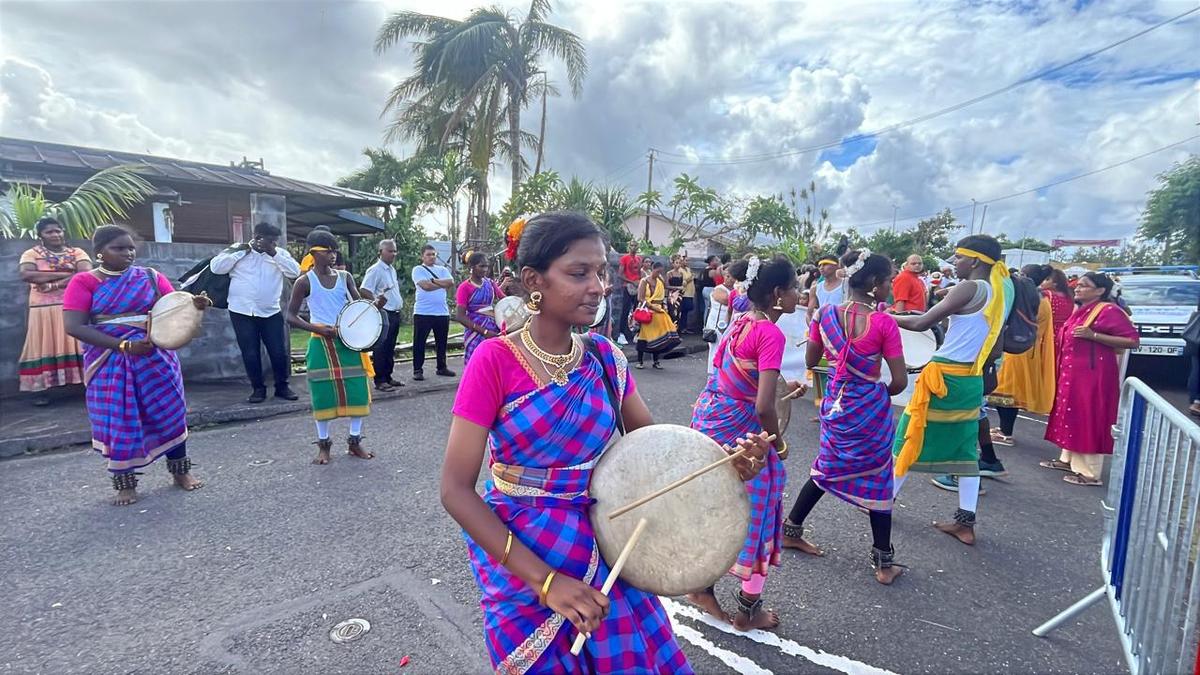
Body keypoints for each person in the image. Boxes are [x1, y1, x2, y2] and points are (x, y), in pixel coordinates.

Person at [440, 211, 772, 672]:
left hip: (608, 546)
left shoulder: (604, 358)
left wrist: (722, 467)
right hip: (525, 561)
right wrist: (548, 582)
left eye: (602, 271)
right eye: (579, 273)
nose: (598, 285)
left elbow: (655, 459)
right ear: (533, 280)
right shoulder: (494, 361)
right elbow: (455, 490)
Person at [689, 255, 806, 631]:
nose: (798, 295)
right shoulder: (771, 333)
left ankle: (701, 586)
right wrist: (779, 445)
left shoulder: (742, 321)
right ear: (777, 293)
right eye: (793, 289)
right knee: (759, 511)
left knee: (711, 508)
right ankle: (748, 609)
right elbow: (762, 405)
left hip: (713, 423)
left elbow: (742, 382)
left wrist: (788, 393)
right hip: (744, 435)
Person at [783, 250, 909, 584]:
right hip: (869, 407)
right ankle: (883, 563)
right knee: (880, 478)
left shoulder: (824, 315)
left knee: (827, 466)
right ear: (873, 284)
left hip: (836, 403)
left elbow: (812, 360)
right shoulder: (884, 323)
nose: (891, 287)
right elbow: (899, 382)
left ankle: (791, 529)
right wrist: (875, 392)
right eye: (888, 281)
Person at [62, 225, 207, 505]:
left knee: (170, 411)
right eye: (118, 248)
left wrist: (195, 305)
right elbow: (74, 326)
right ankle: (125, 484)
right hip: (110, 359)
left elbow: (172, 309)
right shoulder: (84, 282)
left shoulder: (150, 277)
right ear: (99, 253)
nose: (128, 253)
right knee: (120, 418)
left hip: (155, 357)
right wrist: (124, 346)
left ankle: (181, 473)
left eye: (130, 247)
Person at [891, 235, 1010, 546]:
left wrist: (881, 317)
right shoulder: (997, 292)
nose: (954, 263)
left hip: (944, 375)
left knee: (908, 433)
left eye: (959, 257)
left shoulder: (968, 287)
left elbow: (922, 325)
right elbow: (996, 347)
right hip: (970, 379)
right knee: (965, 450)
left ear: (975, 261)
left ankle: (883, 501)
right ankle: (965, 523)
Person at [286, 229, 386, 464]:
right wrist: (319, 329)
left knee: (357, 391)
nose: (332, 255)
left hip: (347, 342)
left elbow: (358, 308)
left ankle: (354, 442)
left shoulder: (345, 277)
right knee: (322, 394)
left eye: (334, 250)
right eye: (327, 251)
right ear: (313, 252)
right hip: (321, 343)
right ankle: (324, 446)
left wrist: (376, 306)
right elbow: (290, 317)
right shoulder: (304, 282)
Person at [1041, 272, 1139, 486]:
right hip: (1073, 373)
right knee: (1071, 412)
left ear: (1100, 291)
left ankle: (1089, 473)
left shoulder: (1109, 310)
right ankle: (1068, 460)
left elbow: (1132, 340)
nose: (1077, 288)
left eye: (1084, 286)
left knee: (1088, 415)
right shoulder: (1083, 310)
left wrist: (1093, 336)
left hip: (1094, 375)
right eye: (1077, 285)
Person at [209, 222, 301, 403]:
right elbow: (216, 267)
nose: (272, 244)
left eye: (275, 241)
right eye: (269, 240)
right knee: (250, 352)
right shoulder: (237, 250)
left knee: (278, 352)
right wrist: (242, 251)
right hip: (241, 311)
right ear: (257, 237)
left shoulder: (279, 254)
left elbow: (295, 271)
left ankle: (282, 387)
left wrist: (273, 253)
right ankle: (258, 389)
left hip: (270, 311)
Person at [17, 216, 91, 406]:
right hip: (43, 308)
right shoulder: (31, 253)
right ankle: (40, 390)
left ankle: (90, 385)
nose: (55, 234)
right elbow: (26, 274)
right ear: (40, 235)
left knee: (80, 344)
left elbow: (85, 274)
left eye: (58, 230)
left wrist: (52, 283)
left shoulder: (76, 252)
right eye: (49, 231)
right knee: (43, 345)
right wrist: (67, 275)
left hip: (74, 305)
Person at [986, 265, 1056, 452]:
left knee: (1007, 393)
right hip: (1025, 351)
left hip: (1019, 353)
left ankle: (1006, 433)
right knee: (1008, 393)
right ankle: (1003, 428)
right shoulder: (1040, 299)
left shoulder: (1032, 299)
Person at [361, 239, 406, 392]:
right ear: (380, 252)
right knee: (381, 347)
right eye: (390, 251)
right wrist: (376, 303)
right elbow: (364, 289)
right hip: (384, 313)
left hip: (394, 313)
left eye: (395, 251)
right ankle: (379, 380)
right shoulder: (375, 270)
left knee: (390, 347)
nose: (393, 254)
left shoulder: (391, 269)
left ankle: (388, 376)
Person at [411, 244, 456, 381]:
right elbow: (425, 286)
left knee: (441, 342)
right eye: (428, 254)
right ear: (422, 256)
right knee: (420, 342)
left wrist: (434, 281)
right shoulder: (418, 269)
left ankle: (441, 367)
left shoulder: (442, 269)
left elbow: (451, 282)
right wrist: (440, 284)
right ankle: (417, 369)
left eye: (433, 254)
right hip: (423, 312)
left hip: (441, 312)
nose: (431, 257)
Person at [807, 256, 845, 418]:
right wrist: (813, 327)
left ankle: (839, 407)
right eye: (820, 265)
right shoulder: (817, 287)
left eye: (826, 265)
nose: (822, 268)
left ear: (837, 266)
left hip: (841, 336)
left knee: (839, 371)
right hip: (822, 334)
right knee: (820, 372)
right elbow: (810, 311)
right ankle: (823, 408)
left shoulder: (845, 285)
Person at [455, 252, 504, 364]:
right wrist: (484, 331)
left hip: (493, 327)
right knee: (475, 362)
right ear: (471, 267)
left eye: (486, 266)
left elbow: (504, 299)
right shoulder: (464, 287)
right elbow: (460, 316)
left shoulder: (490, 284)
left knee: (492, 362)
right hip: (475, 330)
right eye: (481, 266)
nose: (485, 269)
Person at [635, 261, 680, 369]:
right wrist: (651, 307)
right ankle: (640, 361)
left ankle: (656, 361)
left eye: (661, 272)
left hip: (659, 311)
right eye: (657, 271)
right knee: (643, 337)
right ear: (653, 269)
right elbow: (640, 298)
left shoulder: (660, 281)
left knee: (659, 337)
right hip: (647, 312)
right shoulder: (644, 281)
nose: (659, 273)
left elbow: (663, 294)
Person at [1041, 267, 1074, 353]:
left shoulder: (1046, 294)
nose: (1043, 282)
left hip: (1048, 333)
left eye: (1047, 279)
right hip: (1063, 333)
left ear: (1055, 283)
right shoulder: (1069, 296)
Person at [616, 240, 641, 345]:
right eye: (631, 245)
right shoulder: (624, 258)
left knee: (636, 310)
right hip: (627, 286)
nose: (633, 247)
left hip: (637, 287)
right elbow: (620, 274)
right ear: (628, 247)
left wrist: (639, 282)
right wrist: (631, 282)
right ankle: (621, 333)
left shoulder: (639, 259)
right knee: (625, 310)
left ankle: (633, 333)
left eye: (635, 245)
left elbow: (639, 273)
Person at [667, 254, 696, 332]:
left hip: (681, 294)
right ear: (672, 263)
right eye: (677, 263)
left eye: (679, 263)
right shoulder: (670, 273)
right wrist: (677, 288)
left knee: (679, 312)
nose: (678, 264)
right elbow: (667, 285)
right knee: (672, 312)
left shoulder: (683, 272)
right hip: (673, 295)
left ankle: (678, 330)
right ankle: (671, 330)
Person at [698, 255, 722, 320]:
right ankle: (706, 323)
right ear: (711, 262)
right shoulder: (711, 271)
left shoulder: (705, 269)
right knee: (709, 308)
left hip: (705, 289)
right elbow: (718, 276)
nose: (718, 262)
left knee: (707, 307)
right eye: (716, 260)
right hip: (709, 289)